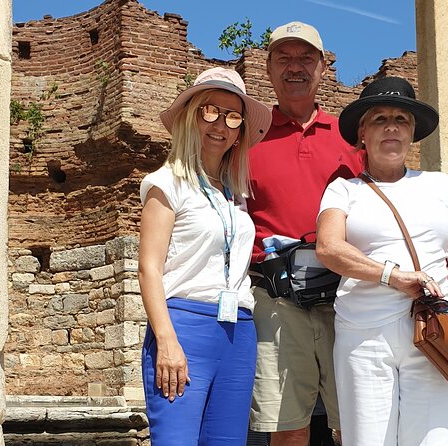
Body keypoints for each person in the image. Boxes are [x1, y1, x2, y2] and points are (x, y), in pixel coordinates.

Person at [315, 76, 448, 446]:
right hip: (364, 335)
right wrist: (391, 276)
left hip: (431, 329)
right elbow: (328, 248)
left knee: (433, 440)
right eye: (380, 119)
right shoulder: (343, 189)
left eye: (401, 118)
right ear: (362, 132)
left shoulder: (440, 185)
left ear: (412, 131)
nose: (392, 126)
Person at [138, 67, 272, 445]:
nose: (221, 125)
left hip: (239, 330)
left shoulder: (236, 194)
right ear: (190, 115)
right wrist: (166, 340)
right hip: (185, 326)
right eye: (209, 111)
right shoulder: (166, 184)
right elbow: (149, 268)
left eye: (233, 117)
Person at [245, 21, 364, 446]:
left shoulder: (352, 137)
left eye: (306, 58)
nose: (295, 68)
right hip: (278, 300)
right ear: (268, 68)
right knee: (287, 424)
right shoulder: (247, 138)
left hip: (346, 296)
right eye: (284, 58)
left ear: (323, 66)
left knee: (352, 420)